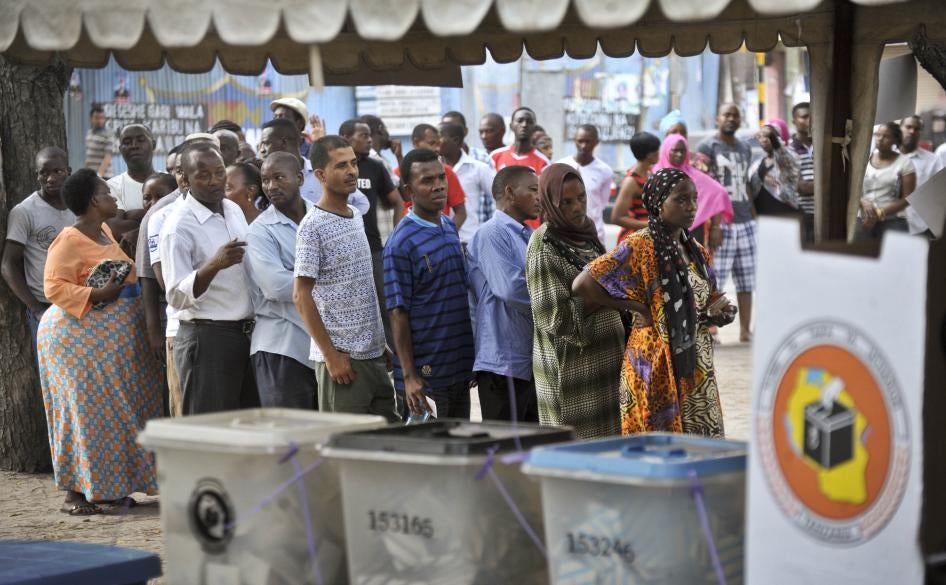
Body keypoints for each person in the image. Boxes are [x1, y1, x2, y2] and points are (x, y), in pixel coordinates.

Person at [574, 168, 737, 437]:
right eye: (682, 200)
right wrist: (637, 307)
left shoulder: (696, 251)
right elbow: (583, 284)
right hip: (653, 363)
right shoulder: (640, 245)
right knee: (656, 445)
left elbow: (710, 296)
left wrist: (722, 311)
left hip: (693, 363)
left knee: (696, 445)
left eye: (695, 199)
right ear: (659, 203)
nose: (692, 207)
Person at [38, 168, 162, 515]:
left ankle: (109, 488)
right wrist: (97, 292)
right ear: (94, 201)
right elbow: (54, 287)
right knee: (85, 413)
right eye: (108, 193)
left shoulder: (103, 230)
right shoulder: (68, 239)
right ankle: (74, 495)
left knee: (114, 413)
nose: (114, 197)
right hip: (77, 342)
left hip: (107, 345)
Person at [293, 136, 399, 422]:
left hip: (373, 355)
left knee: (385, 445)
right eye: (341, 165)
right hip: (343, 363)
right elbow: (301, 295)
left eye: (353, 163)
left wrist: (380, 343)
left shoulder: (354, 214)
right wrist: (331, 357)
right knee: (346, 449)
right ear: (320, 175)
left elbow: (359, 285)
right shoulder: (312, 226)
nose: (352, 171)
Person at [159, 142, 260, 414]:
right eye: (203, 175)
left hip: (245, 336)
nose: (214, 181)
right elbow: (176, 296)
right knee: (212, 431)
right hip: (207, 339)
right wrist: (213, 265)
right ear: (185, 178)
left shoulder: (233, 209)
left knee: (247, 428)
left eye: (219, 172)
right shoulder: (178, 226)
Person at [525, 163, 624, 439]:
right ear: (549, 203)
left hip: (605, 364)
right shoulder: (543, 246)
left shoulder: (586, 235)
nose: (577, 208)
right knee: (578, 450)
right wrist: (602, 294)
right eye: (566, 202)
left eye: (581, 198)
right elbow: (554, 318)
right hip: (572, 375)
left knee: (608, 448)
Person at [384, 148, 475, 418]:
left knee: (461, 451)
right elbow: (398, 314)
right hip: (426, 377)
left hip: (457, 367)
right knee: (433, 453)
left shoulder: (448, 226)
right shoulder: (401, 243)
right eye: (427, 181)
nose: (438, 186)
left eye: (441, 178)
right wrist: (410, 377)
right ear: (409, 190)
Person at [468, 166, 541, 422]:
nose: (539, 197)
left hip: (527, 359)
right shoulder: (493, 233)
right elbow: (510, 288)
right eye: (533, 190)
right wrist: (553, 304)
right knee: (502, 445)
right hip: (503, 360)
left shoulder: (528, 235)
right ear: (510, 192)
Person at [246, 152, 318, 409]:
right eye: (265, 180)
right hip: (282, 347)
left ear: (299, 178)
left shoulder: (321, 218)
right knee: (288, 439)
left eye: (279, 178)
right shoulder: (260, 231)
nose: (271, 186)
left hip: (321, 347)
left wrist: (299, 276)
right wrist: (329, 281)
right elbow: (275, 286)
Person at [2, 148, 75, 357]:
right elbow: (8, 264)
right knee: (53, 372)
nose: (50, 178)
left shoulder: (78, 206)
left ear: (68, 171)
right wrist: (36, 309)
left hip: (80, 301)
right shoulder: (25, 211)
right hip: (46, 306)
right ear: (37, 175)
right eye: (44, 173)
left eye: (57, 171)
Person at [338, 118, 403, 345]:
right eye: (363, 135)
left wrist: (396, 236)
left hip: (373, 248)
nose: (369, 140)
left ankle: (396, 359)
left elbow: (398, 201)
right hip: (341, 252)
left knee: (386, 305)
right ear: (346, 138)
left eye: (369, 135)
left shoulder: (375, 166)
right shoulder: (334, 167)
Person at [698, 103, 755, 343]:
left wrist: (754, 214)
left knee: (746, 278)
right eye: (726, 115)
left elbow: (747, 181)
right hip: (721, 222)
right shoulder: (708, 146)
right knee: (715, 278)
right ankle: (713, 329)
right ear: (717, 119)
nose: (731, 119)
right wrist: (715, 224)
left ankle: (745, 330)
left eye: (735, 115)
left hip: (746, 220)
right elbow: (704, 186)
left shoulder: (744, 147)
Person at [260, 118, 369, 213]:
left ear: (284, 142)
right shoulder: (266, 180)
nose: (262, 150)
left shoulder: (322, 172)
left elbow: (361, 203)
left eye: (266, 143)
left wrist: (337, 224)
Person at [654, 134, 733, 245]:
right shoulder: (655, 173)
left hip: (693, 233)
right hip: (664, 233)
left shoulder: (694, 175)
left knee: (692, 262)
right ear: (666, 150)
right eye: (675, 150)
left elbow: (719, 193)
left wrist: (715, 227)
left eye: (683, 151)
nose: (679, 154)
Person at [854, 122, 916, 240]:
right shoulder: (865, 157)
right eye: (878, 135)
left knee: (893, 255)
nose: (880, 139)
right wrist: (862, 201)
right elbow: (853, 188)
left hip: (892, 220)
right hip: (862, 218)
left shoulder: (904, 163)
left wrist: (878, 214)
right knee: (858, 253)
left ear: (895, 140)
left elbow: (907, 198)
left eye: (886, 136)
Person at [399, 124, 467, 230]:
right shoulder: (402, 240)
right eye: (427, 180)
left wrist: (446, 234)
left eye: (441, 178)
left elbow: (461, 213)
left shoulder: (447, 171)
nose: (437, 148)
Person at [439, 122, 496, 243]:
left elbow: (500, 196)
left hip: (468, 241)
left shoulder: (478, 168)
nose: (436, 141)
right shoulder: (433, 170)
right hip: (439, 241)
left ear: (456, 140)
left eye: (440, 137)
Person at [557, 124, 613, 243]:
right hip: (566, 233)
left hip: (595, 234)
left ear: (596, 142)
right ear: (574, 141)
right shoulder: (560, 166)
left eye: (588, 141)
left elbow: (602, 203)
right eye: (580, 141)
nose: (583, 146)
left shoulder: (605, 170)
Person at [899, 115, 944, 235]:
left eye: (917, 129)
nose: (912, 131)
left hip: (919, 227)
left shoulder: (933, 160)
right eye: (908, 127)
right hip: (886, 223)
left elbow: (940, 194)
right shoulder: (885, 156)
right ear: (900, 129)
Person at [612, 132, 660, 241]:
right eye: (656, 150)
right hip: (636, 239)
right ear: (648, 154)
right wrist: (649, 225)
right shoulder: (631, 181)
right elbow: (617, 218)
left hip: (650, 236)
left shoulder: (649, 174)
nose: (659, 153)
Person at [748, 124, 802, 216]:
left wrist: (774, 141)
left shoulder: (788, 158)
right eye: (761, 137)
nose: (764, 139)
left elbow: (782, 155)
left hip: (785, 214)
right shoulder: (757, 163)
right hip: (763, 215)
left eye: (768, 136)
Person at [789, 102, 816, 241]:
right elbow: (799, 187)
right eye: (804, 117)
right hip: (802, 215)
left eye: (811, 116)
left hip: (826, 215)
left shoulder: (821, 145)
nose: (809, 121)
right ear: (794, 121)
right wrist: (826, 186)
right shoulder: (788, 150)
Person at [84, 104, 112, 178]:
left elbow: (108, 157)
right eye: (96, 118)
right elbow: (89, 156)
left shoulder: (108, 135)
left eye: (102, 118)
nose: (99, 120)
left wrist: (99, 175)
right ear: (91, 119)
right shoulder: (89, 133)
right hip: (91, 176)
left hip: (103, 177)